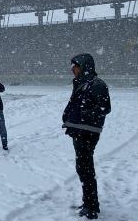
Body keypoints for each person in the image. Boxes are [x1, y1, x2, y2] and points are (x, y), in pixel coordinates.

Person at [62, 53, 111, 219]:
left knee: (85, 169)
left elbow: (105, 108)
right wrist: (68, 115)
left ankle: (91, 207)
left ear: (83, 66)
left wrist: (84, 114)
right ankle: (89, 202)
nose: (72, 70)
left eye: (75, 66)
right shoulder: (82, 83)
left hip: (88, 132)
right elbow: (75, 103)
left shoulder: (96, 84)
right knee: (83, 169)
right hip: (79, 130)